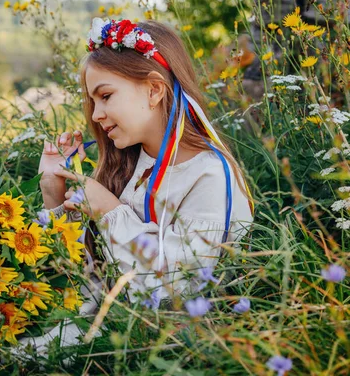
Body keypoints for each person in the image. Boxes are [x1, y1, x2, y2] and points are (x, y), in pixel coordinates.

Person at [20, 18, 255, 357]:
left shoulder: (210, 177)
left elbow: (180, 287)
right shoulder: (126, 162)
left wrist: (111, 212)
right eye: (93, 100)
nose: (97, 114)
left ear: (154, 90)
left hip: (167, 346)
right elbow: (88, 273)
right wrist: (54, 192)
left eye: (106, 96)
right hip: (100, 320)